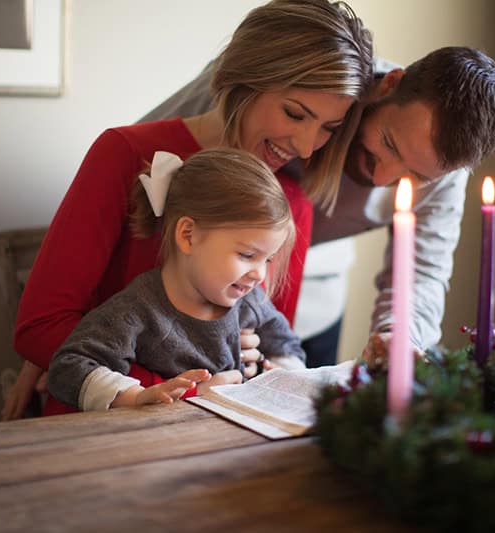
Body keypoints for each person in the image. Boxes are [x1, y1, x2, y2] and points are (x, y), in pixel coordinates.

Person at [2, 0, 374, 419]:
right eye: (294, 113)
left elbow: (271, 348)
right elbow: (40, 326)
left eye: (328, 128)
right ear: (245, 78)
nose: (306, 147)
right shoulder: (125, 154)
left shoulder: (293, 204)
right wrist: (174, 390)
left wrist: (258, 372)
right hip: (105, 421)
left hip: (217, 429)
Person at [141, 46, 495, 365]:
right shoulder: (311, 81)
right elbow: (150, 155)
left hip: (312, 308)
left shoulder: (444, 176)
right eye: (388, 143)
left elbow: (422, 272)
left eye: (416, 176)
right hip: (177, 300)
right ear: (389, 84)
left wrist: (398, 337)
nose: (383, 178)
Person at [47, 148, 305, 410]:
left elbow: (288, 350)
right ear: (188, 235)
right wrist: (136, 398)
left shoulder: (251, 302)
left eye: (268, 259)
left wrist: (278, 374)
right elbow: (68, 368)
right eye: (247, 254)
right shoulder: (138, 309)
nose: (259, 274)